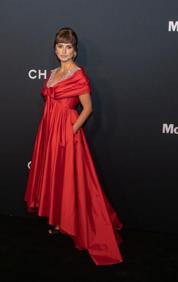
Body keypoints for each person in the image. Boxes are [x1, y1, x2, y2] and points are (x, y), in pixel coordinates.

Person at [24, 27, 123, 265]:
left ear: (75, 51)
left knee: (70, 179)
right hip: (48, 130)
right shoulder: (53, 73)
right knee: (55, 175)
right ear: (55, 49)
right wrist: (52, 131)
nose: (64, 51)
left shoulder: (79, 75)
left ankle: (74, 223)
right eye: (60, 46)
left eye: (68, 47)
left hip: (67, 132)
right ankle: (58, 221)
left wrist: (70, 131)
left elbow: (87, 108)